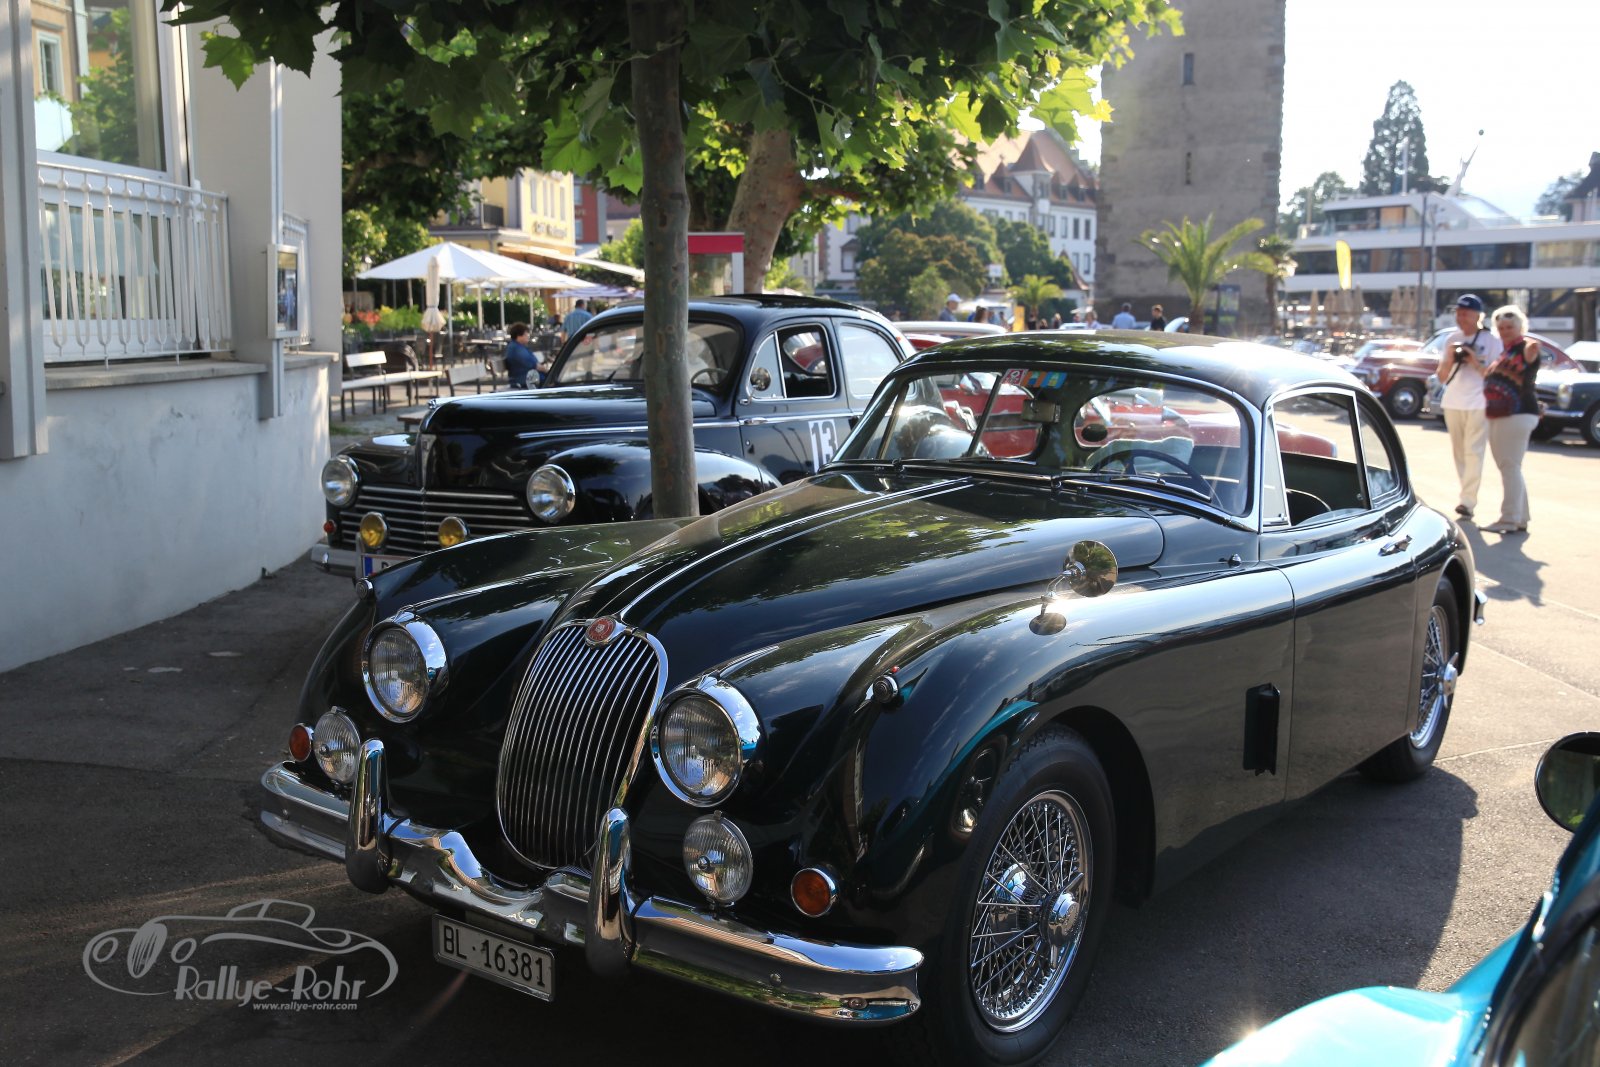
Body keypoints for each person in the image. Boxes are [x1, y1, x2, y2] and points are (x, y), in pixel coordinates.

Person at [1435, 294, 1502, 522]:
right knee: (1459, 452)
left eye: (1465, 313)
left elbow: (1493, 376)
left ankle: (1468, 501)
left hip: (1479, 402)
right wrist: (1449, 358)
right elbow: (1442, 377)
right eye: (1458, 313)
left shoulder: (1491, 341)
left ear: (1477, 315)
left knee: (1474, 451)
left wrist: (1474, 360)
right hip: (1453, 402)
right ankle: (1466, 492)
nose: (1461, 317)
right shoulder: (1452, 339)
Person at [1481, 304, 1542, 534]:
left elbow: (1532, 353)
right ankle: (1520, 517)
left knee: (1509, 466)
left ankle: (1508, 519)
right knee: (1511, 466)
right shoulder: (1505, 352)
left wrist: (1531, 348)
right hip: (1503, 415)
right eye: (1502, 327)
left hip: (1516, 414)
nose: (1505, 331)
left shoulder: (1524, 348)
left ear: (1520, 327)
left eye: (1510, 327)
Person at [503, 322, 539, 390]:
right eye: (526, 334)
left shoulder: (519, 346)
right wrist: (547, 371)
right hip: (523, 380)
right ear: (519, 336)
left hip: (526, 377)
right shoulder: (516, 349)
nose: (528, 336)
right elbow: (533, 365)